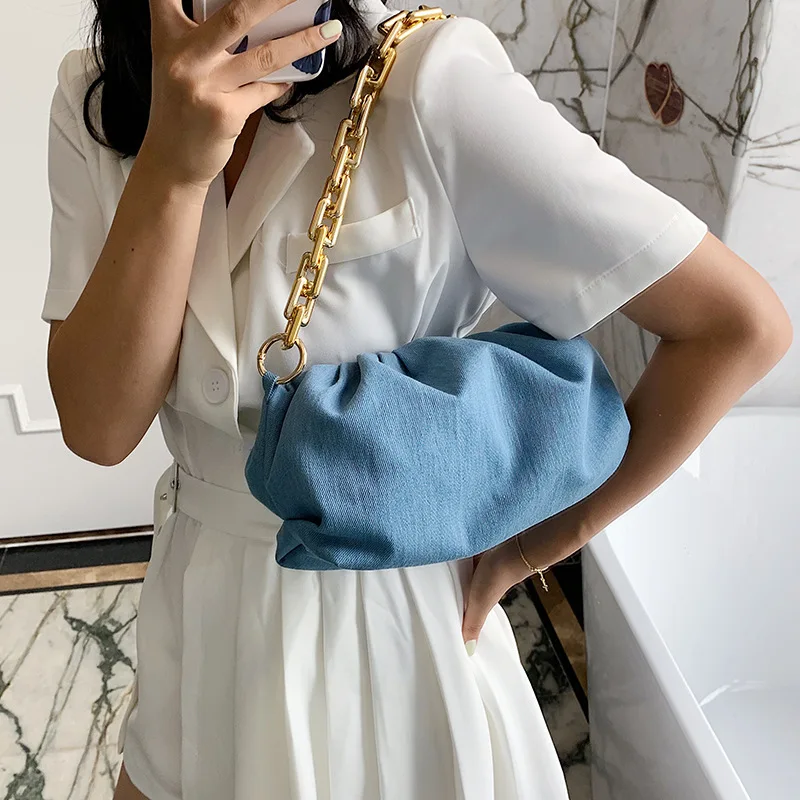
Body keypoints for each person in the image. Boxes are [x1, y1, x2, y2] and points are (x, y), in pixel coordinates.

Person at [42, 0, 792, 797]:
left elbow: (737, 326)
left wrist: (538, 546)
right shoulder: (96, 95)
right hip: (195, 627)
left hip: (386, 647)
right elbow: (99, 428)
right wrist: (171, 168)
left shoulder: (427, 79)